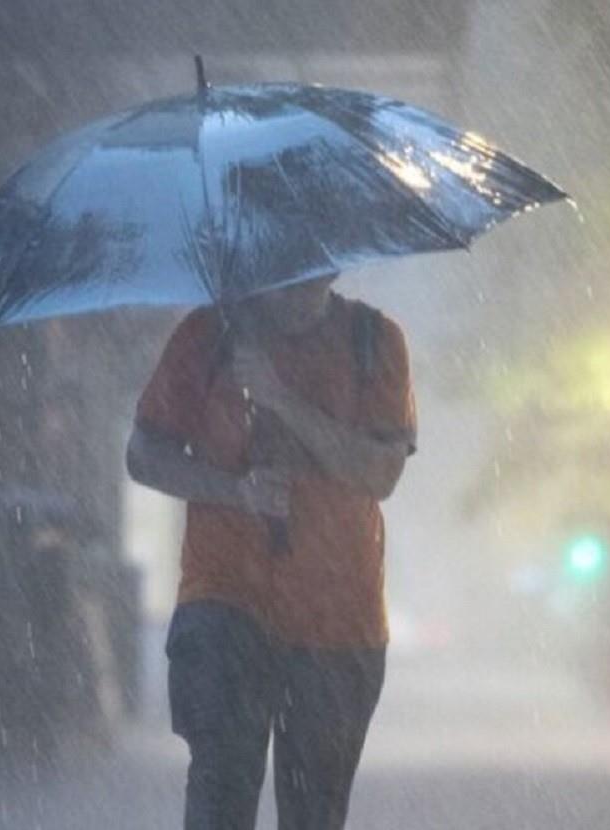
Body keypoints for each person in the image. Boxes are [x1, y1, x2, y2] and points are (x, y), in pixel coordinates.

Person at [127, 275, 416, 829]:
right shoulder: (208, 335)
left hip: (339, 618)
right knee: (220, 793)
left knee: (314, 813)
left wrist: (279, 396)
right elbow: (143, 454)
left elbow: (381, 472)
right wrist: (232, 489)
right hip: (224, 600)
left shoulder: (373, 340)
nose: (303, 282)